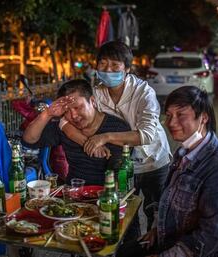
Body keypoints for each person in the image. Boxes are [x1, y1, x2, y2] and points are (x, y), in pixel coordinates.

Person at [61, 41, 171, 231]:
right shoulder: (96, 93)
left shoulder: (144, 93)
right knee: (126, 214)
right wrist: (88, 141)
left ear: (127, 68)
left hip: (153, 161)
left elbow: (146, 135)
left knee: (158, 214)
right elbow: (64, 122)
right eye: (103, 64)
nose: (108, 70)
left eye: (115, 65)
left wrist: (104, 137)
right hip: (123, 165)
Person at [119, 86, 218, 256]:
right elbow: (170, 202)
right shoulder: (183, 152)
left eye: (180, 115)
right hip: (169, 241)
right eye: (168, 115)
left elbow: (211, 235)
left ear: (203, 118)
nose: (171, 123)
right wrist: (156, 230)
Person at [22, 79, 131, 185]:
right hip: (73, 193)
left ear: (92, 101)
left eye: (77, 107)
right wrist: (48, 113)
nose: (73, 115)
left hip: (106, 195)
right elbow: (29, 140)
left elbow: (119, 172)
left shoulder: (118, 128)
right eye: (66, 111)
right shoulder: (65, 127)